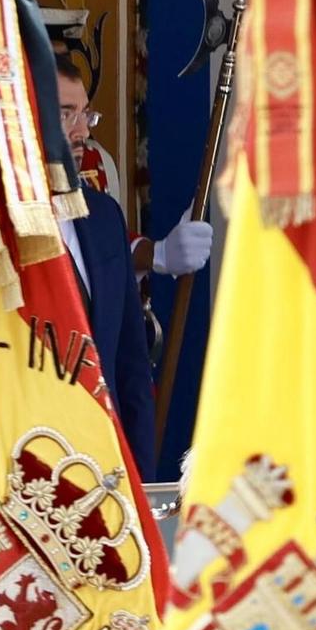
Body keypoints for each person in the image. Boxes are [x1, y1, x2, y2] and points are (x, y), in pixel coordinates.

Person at [54, 58, 211, 480]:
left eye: (84, 113)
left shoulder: (103, 216)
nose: (82, 130)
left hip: (104, 470)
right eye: (65, 114)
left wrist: (139, 481)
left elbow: (130, 367)